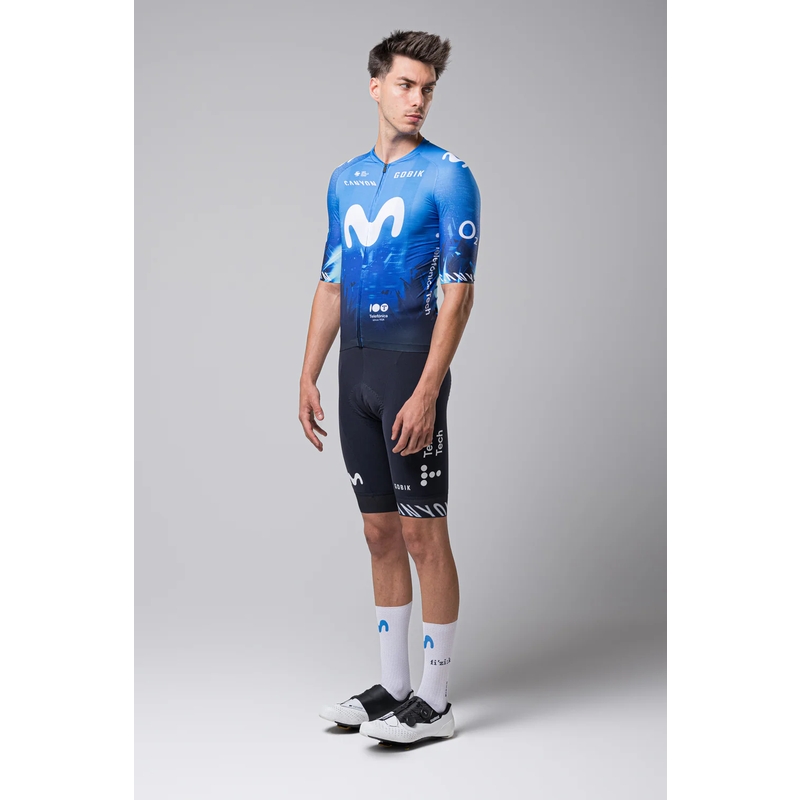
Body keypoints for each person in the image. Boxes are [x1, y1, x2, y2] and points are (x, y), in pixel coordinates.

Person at [298, 29, 480, 746]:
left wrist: (428, 388)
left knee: (421, 532)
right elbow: (330, 282)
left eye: (428, 88)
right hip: (355, 374)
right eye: (406, 84)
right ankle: (394, 687)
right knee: (378, 532)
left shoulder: (448, 175)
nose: (418, 99)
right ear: (376, 86)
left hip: (410, 371)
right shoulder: (344, 179)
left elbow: (459, 295)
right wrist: (308, 373)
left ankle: (436, 701)